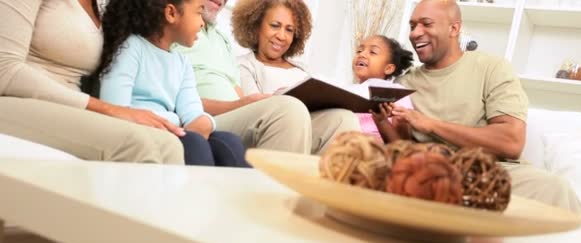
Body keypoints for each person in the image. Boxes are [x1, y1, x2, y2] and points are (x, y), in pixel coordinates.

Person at [389, 0, 581, 217]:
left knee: (553, 187)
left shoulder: (492, 68)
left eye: (426, 24)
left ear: (454, 28)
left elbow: (511, 141)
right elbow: (400, 147)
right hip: (429, 175)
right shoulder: (403, 84)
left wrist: (432, 125)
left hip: (487, 171)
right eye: (412, 26)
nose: (415, 33)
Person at [0, 0, 185, 164]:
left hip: (70, 103)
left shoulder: (102, 5)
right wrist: (109, 109)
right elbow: (5, 69)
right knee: (134, 144)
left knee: (169, 146)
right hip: (14, 97)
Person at [174, 0, 361, 155]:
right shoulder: (177, 32)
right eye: (275, 26)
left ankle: (322, 197)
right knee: (289, 109)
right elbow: (178, 99)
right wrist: (248, 104)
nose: (281, 35)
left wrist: (248, 103)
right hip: (208, 118)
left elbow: (239, 94)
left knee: (343, 119)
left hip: (240, 116)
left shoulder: (221, 39)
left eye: (289, 29)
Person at [98, 0, 248, 167]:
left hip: (172, 129)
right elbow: (115, 108)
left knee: (229, 142)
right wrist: (175, 122)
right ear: (171, 14)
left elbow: (192, 110)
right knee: (194, 143)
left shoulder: (181, 62)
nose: (201, 23)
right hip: (140, 130)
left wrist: (204, 121)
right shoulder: (131, 48)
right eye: (199, 12)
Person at [351, 35, 414, 141]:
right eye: (359, 51)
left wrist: (384, 121)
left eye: (373, 52)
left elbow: (402, 143)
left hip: (376, 147)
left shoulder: (396, 92)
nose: (362, 54)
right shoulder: (348, 89)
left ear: (388, 68)